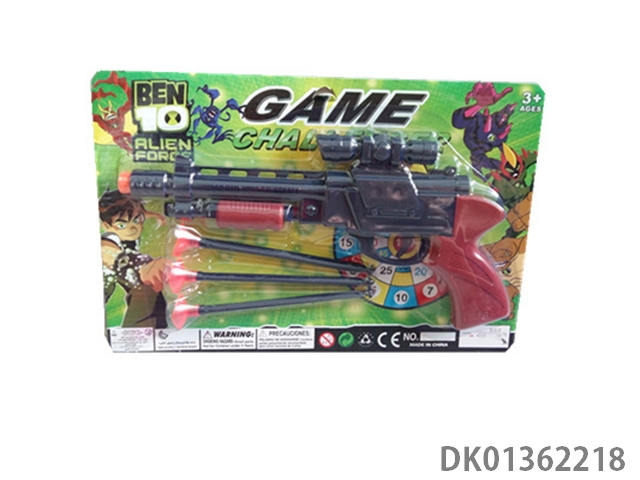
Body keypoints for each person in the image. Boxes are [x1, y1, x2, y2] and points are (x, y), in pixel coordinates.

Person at [99, 189, 167, 328]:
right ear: (106, 226)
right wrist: (143, 267)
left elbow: (133, 214)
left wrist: (155, 215)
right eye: (122, 225)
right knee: (146, 292)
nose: (132, 229)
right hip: (107, 296)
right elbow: (115, 258)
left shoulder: (127, 232)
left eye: (136, 220)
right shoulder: (108, 242)